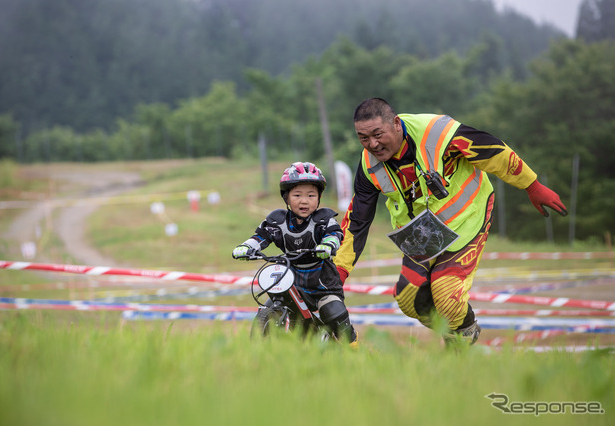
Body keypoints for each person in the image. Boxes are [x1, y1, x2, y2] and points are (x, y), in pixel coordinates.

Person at [334, 98, 567, 345]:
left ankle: (461, 340)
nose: (373, 144)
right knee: (409, 299)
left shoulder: (438, 133)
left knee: (446, 295)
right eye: (363, 138)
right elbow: (358, 220)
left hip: (466, 219)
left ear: (396, 123)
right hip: (423, 233)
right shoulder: (368, 165)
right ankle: (457, 331)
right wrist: (339, 269)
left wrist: (531, 184)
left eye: (377, 134)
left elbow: (492, 151)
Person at [232, 162, 358, 345]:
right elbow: (261, 236)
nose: (304, 201)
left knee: (333, 312)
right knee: (268, 307)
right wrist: (246, 247)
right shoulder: (277, 221)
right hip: (290, 279)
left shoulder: (323, 219)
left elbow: (335, 234)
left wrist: (328, 245)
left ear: (319, 197)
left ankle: (355, 351)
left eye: (311, 195)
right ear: (286, 198)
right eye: (297, 195)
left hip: (322, 283)